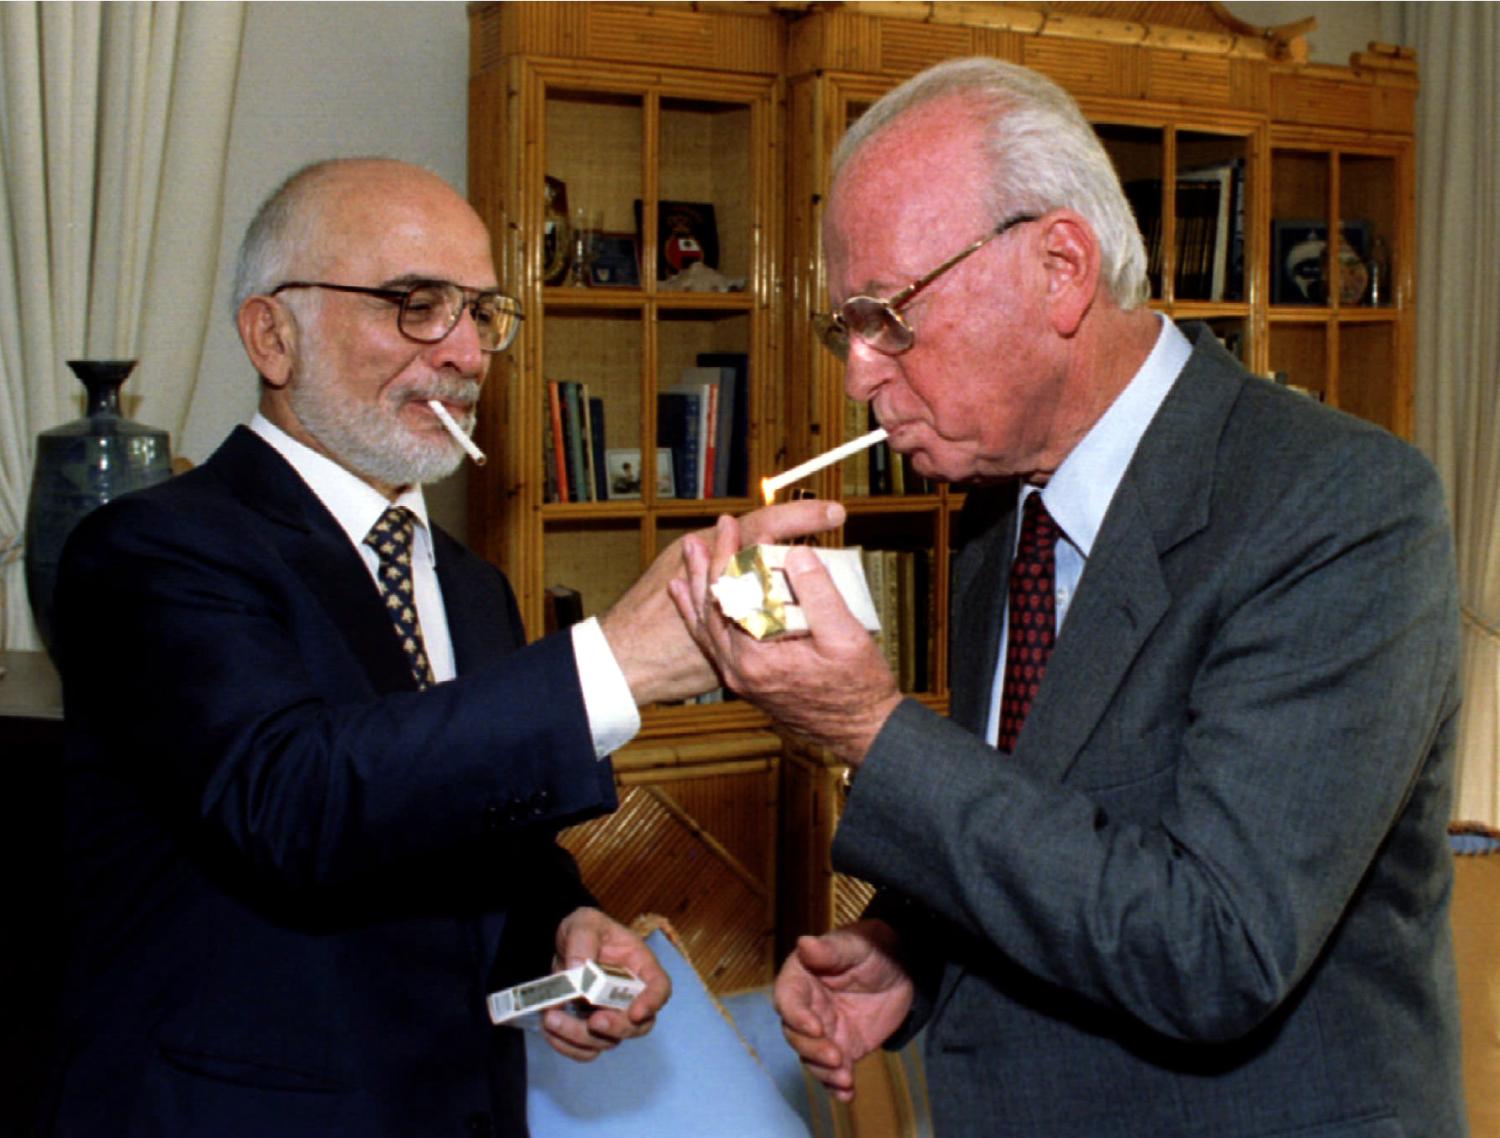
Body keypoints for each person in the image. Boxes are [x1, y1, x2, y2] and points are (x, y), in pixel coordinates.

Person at [671, 58, 1465, 1135]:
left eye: (888, 315)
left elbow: (1215, 944)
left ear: (1059, 267)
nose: (859, 372)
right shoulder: (1005, 517)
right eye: (843, 327)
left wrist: (869, 725)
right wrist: (910, 946)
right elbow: (1056, 812)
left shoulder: (1339, 505)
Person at [42, 157, 841, 1137]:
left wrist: (558, 928)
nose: (464, 351)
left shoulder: (469, 584)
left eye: (483, 312)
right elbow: (296, 799)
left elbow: (463, 832)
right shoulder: (152, 552)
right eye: (416, 304)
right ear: (272, 334)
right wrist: (614, 662)